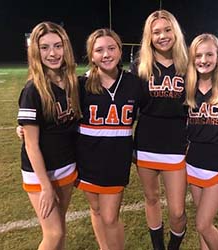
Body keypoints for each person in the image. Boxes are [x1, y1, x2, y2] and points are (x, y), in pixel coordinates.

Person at [75, 28, 143, 250]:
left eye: (111, 48)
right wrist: (25, 127)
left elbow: (151, 115)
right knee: (95, 210)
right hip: (87, 159)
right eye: (99, 50)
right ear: (92, 55)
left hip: (116, 160)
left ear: (120, 51)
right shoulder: (80, 85)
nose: (106, 54)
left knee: (110, 218)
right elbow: (62, 117)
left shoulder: (134, 83)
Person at [17, 21, 81, 250]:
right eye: (44, 48)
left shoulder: (72, 83)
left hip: (66, 168)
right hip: (41, 174)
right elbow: (31, 145)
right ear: (36, 51)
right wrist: (45, 186)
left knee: (60, 230)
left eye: (57, 45)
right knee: (53, 234)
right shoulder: (33, 90)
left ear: (66, 47)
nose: (52, 53)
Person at [131, 10, 188, 250]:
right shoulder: (139, 66)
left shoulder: (188, 64)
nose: (162, 36)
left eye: (167, 30)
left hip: (176, 143)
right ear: (149, 36)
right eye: (156, 32)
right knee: (152, 198)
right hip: (146, 143)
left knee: (177, 210)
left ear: (175, 32)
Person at [185, 33, 218, 250]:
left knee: (203, 224)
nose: (203, 60)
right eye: (198, 55)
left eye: (209, 54)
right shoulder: (187, 88)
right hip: (193, 163)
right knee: (204, 223)